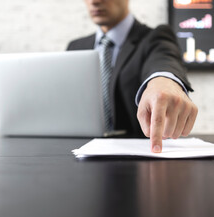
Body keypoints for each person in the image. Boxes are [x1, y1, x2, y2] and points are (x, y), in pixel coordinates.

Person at [67, 0, 198, 153]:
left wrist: (163, 81)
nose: (94, 1)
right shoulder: (75, 47)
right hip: (81, 153)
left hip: (137, 159)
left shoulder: (155, 37)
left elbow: (164, 59)